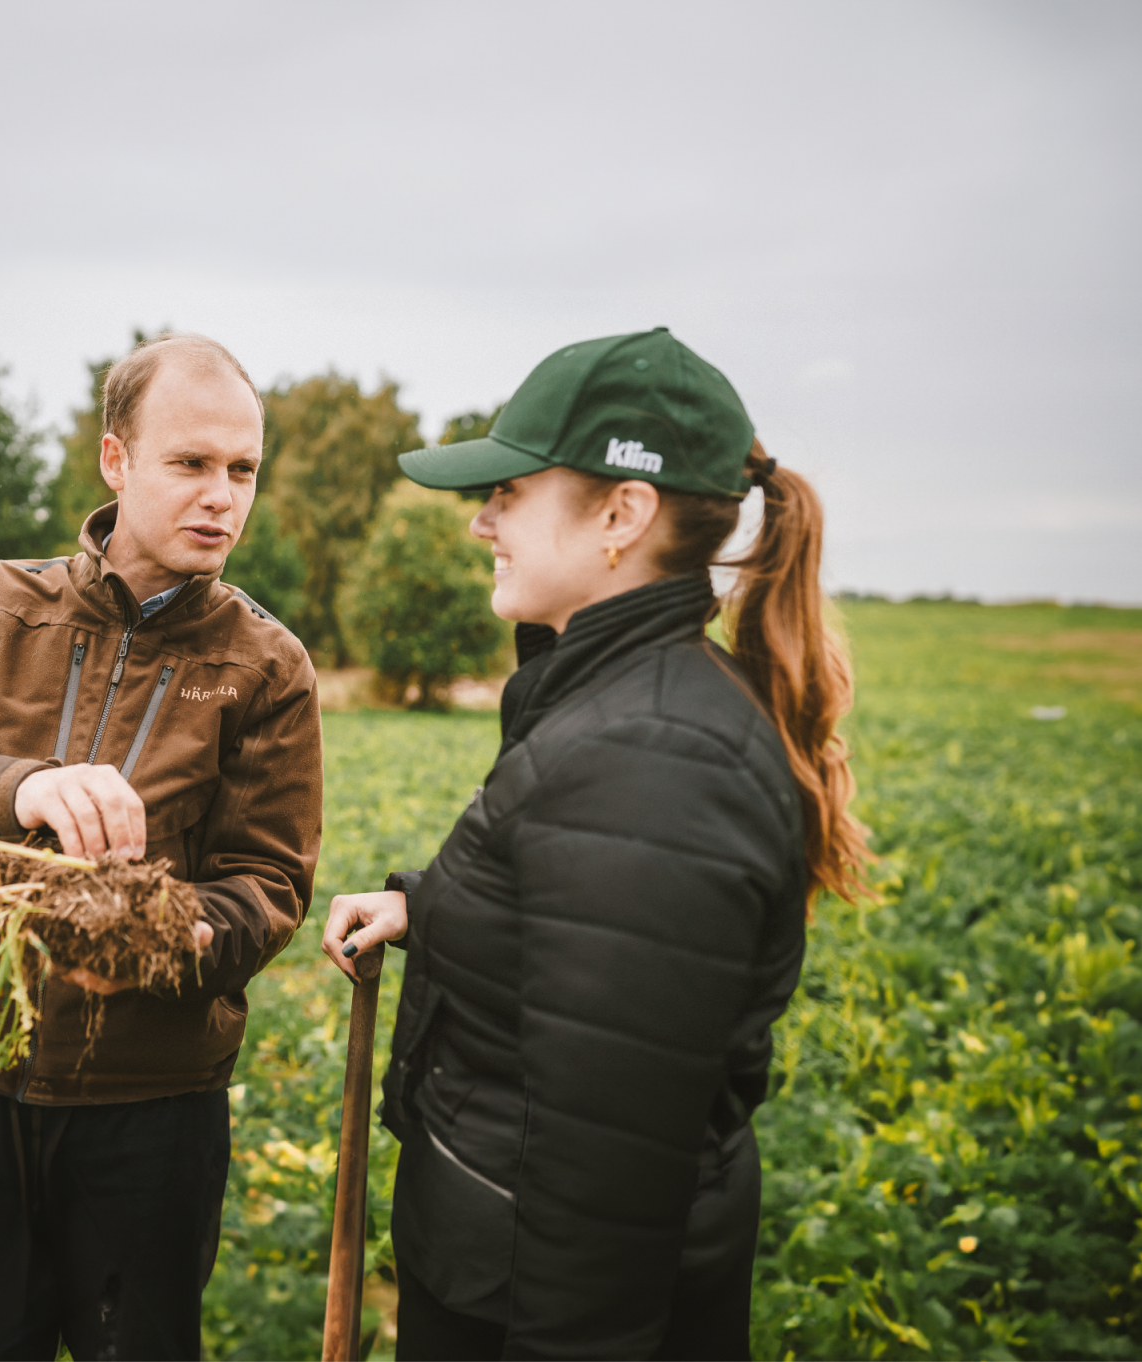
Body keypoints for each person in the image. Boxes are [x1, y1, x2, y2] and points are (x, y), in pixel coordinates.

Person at [321, 328, 869, 1361]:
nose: (482, 522)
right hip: (495, 1269)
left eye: (512, 492)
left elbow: (606, 1182)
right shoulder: (625, 707)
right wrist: (426, 906)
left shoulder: (654, 757)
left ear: (623, 513)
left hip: (532, 1310)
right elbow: (572, 941)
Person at [0, 333, 323, 1362]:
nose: (222, 496)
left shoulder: (266, 666)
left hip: (151, 1113)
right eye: (190, 463)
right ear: (116, 460)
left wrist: (160, 941)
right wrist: (16, 788)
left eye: (243, 470)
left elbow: (267, 885)